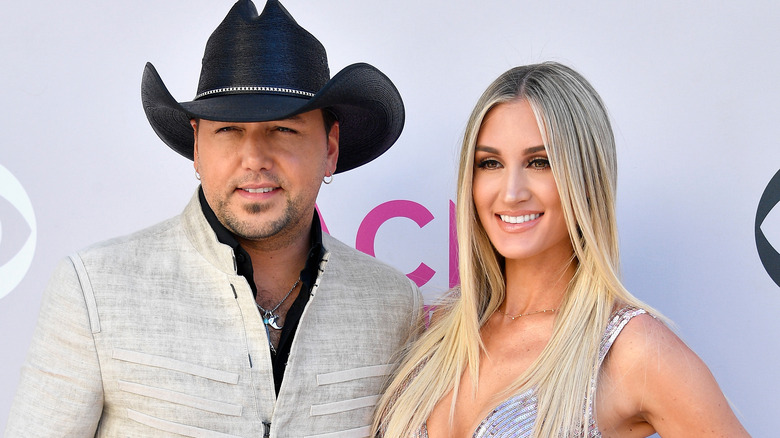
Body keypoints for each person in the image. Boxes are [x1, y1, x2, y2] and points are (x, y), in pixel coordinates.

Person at [6, 0, 421, 436]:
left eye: (285, 129)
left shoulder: (394, 303)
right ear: (198, 148)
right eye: (228, 129)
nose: (255, 158)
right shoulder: (95, 289)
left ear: (330, 148)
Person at [373, 62, 749, 437]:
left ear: (586, 178)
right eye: (490, 163)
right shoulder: (439, 331)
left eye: (540, 162)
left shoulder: (630, 350)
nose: (511, 192)